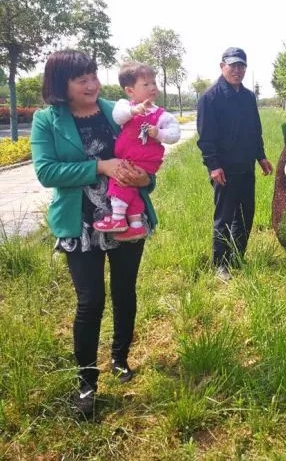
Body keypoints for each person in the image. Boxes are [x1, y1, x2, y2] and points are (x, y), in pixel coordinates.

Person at [31, 50, 157, 419]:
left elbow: (146, 155)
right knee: (90, 302)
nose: (91, 84)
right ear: (61, 85)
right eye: (81, 79)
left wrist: (145, 179)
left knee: (124, 291)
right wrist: (100, 165)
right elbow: (47, 172)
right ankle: (87, 382)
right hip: (81, 225)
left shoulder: (119, 112)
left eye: (93, 76)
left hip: (127, 217)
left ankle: (119, 359)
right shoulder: (47, 121)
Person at [196, 47, 273, 280]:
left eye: (241, 66)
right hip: (224, 170)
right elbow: (206, 138)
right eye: (233, 66)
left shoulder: (248, 97)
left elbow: (254, 131)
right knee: (225, 216)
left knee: (245, 214)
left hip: (246, 166)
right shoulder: (210, 99)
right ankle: (220, 263)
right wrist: (213, 166)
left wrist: (261, 157)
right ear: (222, 67)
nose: (237, 70)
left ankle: (238, 257)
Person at [93, 62, 180, 241]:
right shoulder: (124, 105)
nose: (152, 88)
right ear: (130, 91)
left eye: (154, 83)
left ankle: (117, 218)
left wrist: (159, 133)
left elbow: (175, 134)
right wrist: (134, 111)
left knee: (120, 182)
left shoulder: (161, 114)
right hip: (130, 157)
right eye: (146, 84)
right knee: (131, 191)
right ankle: (136, 224)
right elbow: (118, 116)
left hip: (144, 160)